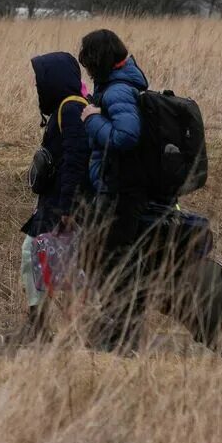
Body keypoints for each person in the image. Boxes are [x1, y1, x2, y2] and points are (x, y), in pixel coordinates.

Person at [78, 28, 173, 353]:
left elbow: (125, 137)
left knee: (115, 267)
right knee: (117, 266)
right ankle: (117, 338)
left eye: (89, 64)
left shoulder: (118, 91)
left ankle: (118, 341)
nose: (88, 72)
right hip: (122, 191)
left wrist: (91, 119)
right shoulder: (121, 85)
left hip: (120, 195)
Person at [15, 51, 91, 344]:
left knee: (37, 254)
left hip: (62, 203)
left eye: (40, 79)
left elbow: (76, 159)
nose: (37, 85)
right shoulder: (67, 106)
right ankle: (46, 327)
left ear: (54, 79)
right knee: (46, 258)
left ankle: (44, 327)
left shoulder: (71, 109)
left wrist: (68, 207)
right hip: (56, 202)